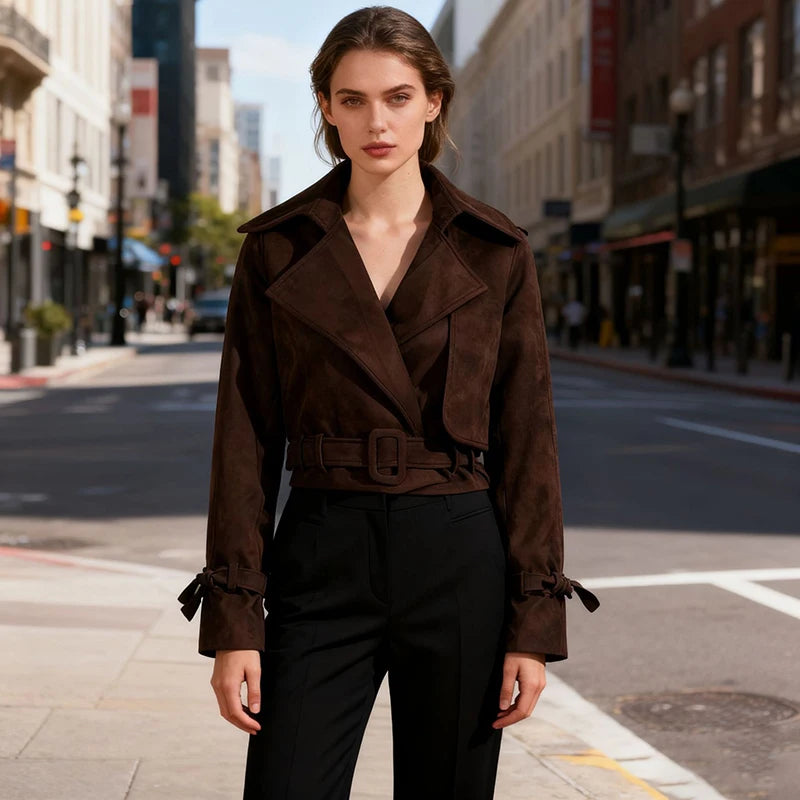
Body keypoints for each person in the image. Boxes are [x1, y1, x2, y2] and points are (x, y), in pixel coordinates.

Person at [177, 7, 599, 799]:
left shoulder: (493, 248)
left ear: (434, 102)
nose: (378, 121)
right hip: (322, 552)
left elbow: (527, 438)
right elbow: (244, 440)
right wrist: (234, 621)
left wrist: (534, 624)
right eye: (354, 99)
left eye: (399, 97)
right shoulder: (278, 246)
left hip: (457, 555)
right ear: (327, 108)